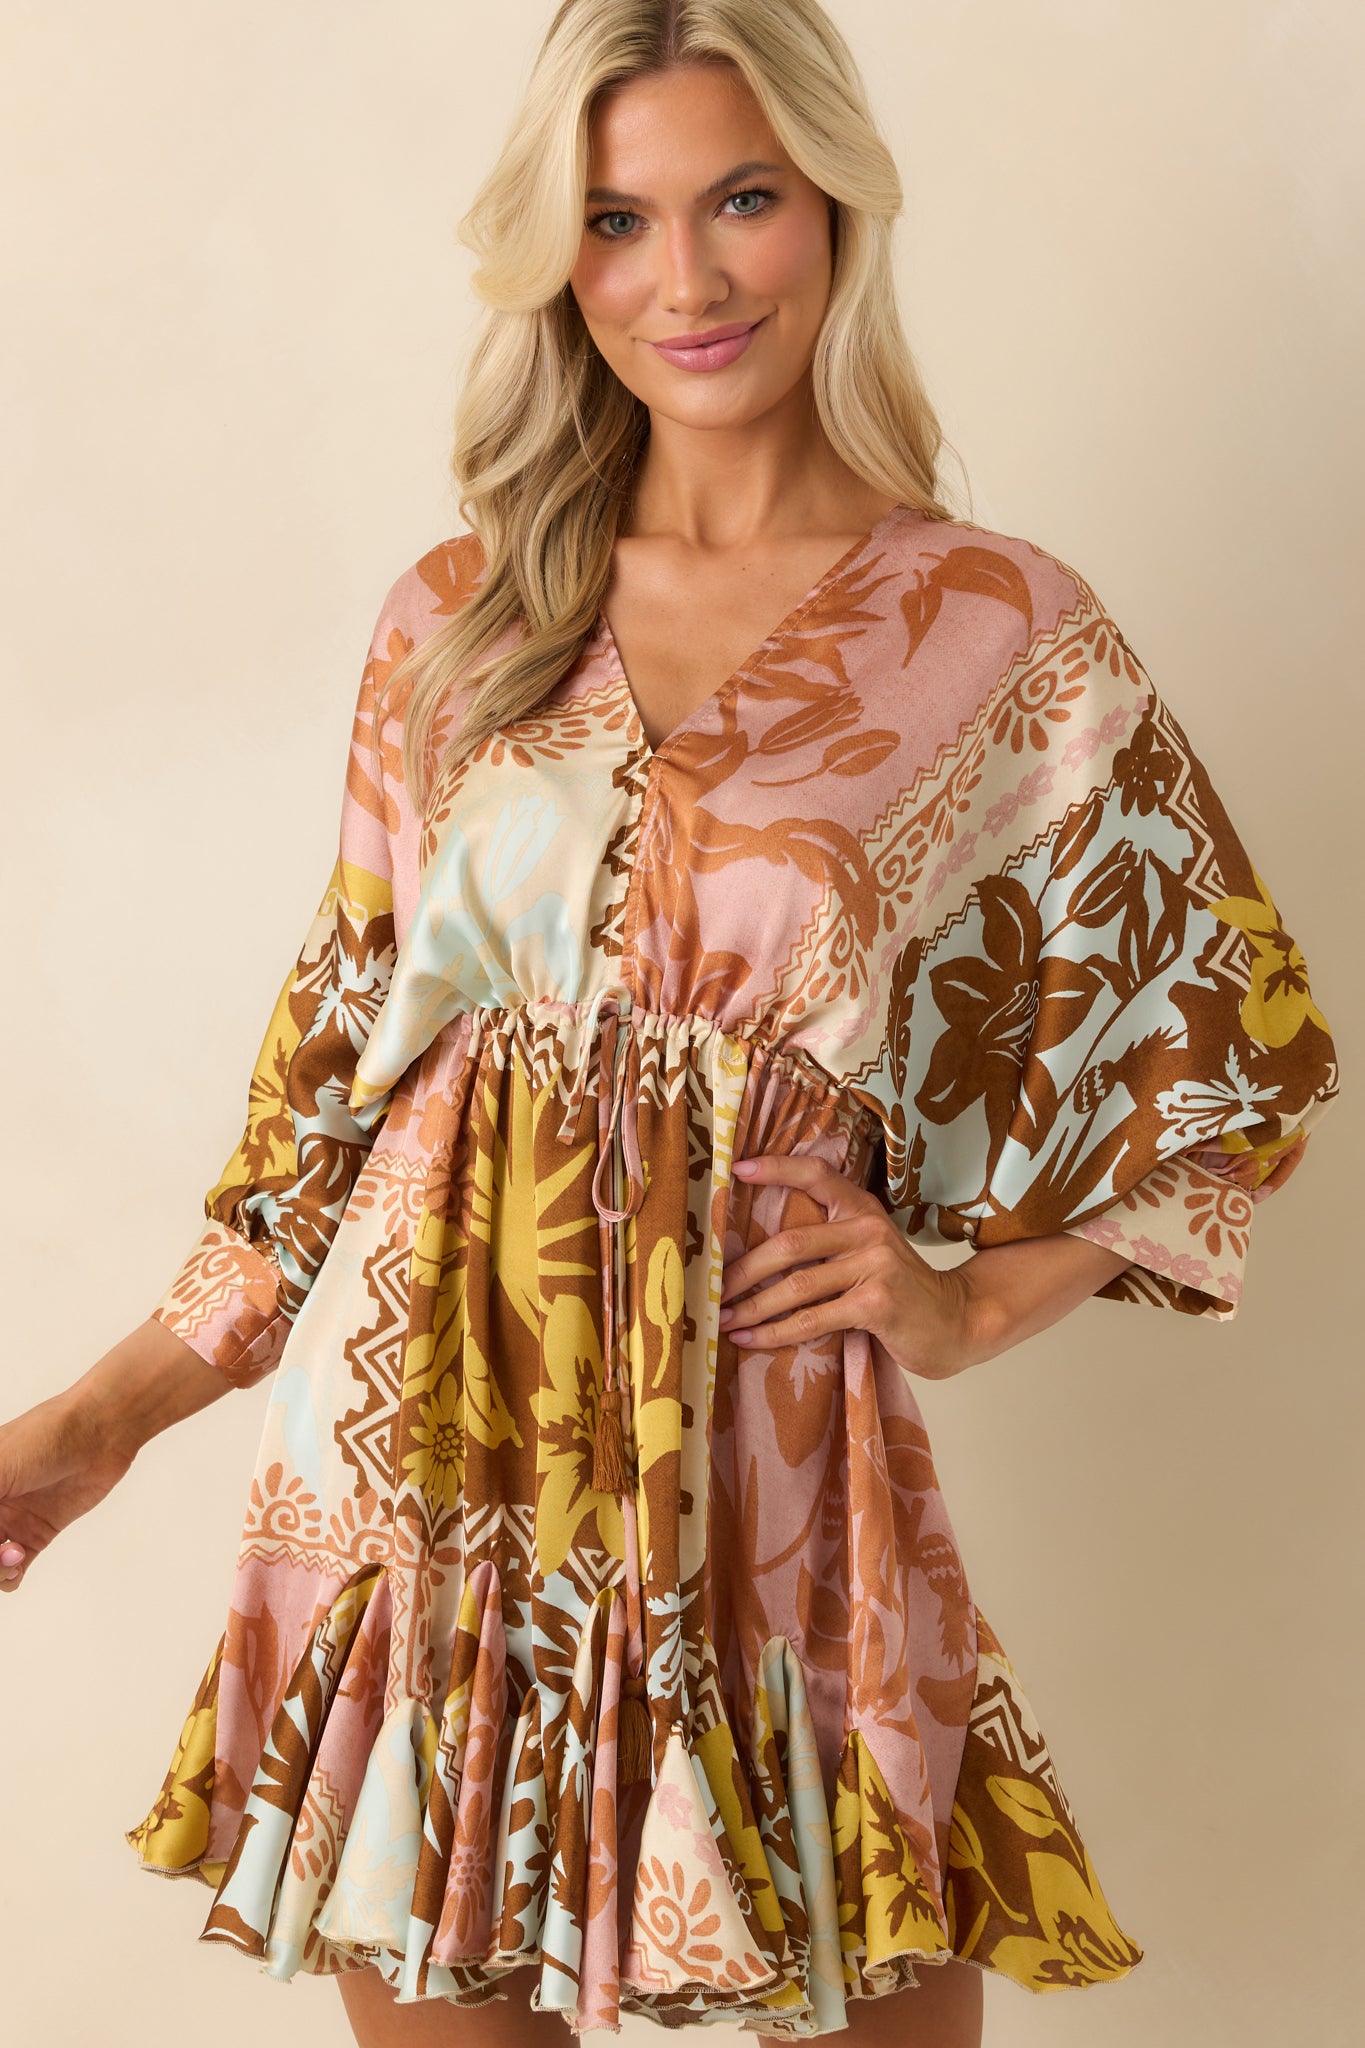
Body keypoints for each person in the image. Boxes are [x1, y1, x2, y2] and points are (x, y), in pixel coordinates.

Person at [0, 3, 1339, 2046]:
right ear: (557, 256)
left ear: (835, 208)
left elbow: (1223, 1050)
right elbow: (322, 1104)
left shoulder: (995, 631)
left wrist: (972, 1302)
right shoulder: (459, 616)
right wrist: (92, 1425)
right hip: (429, 1475)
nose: (685, 279)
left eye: (741, 200)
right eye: (616, 220)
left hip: (778, 1488)